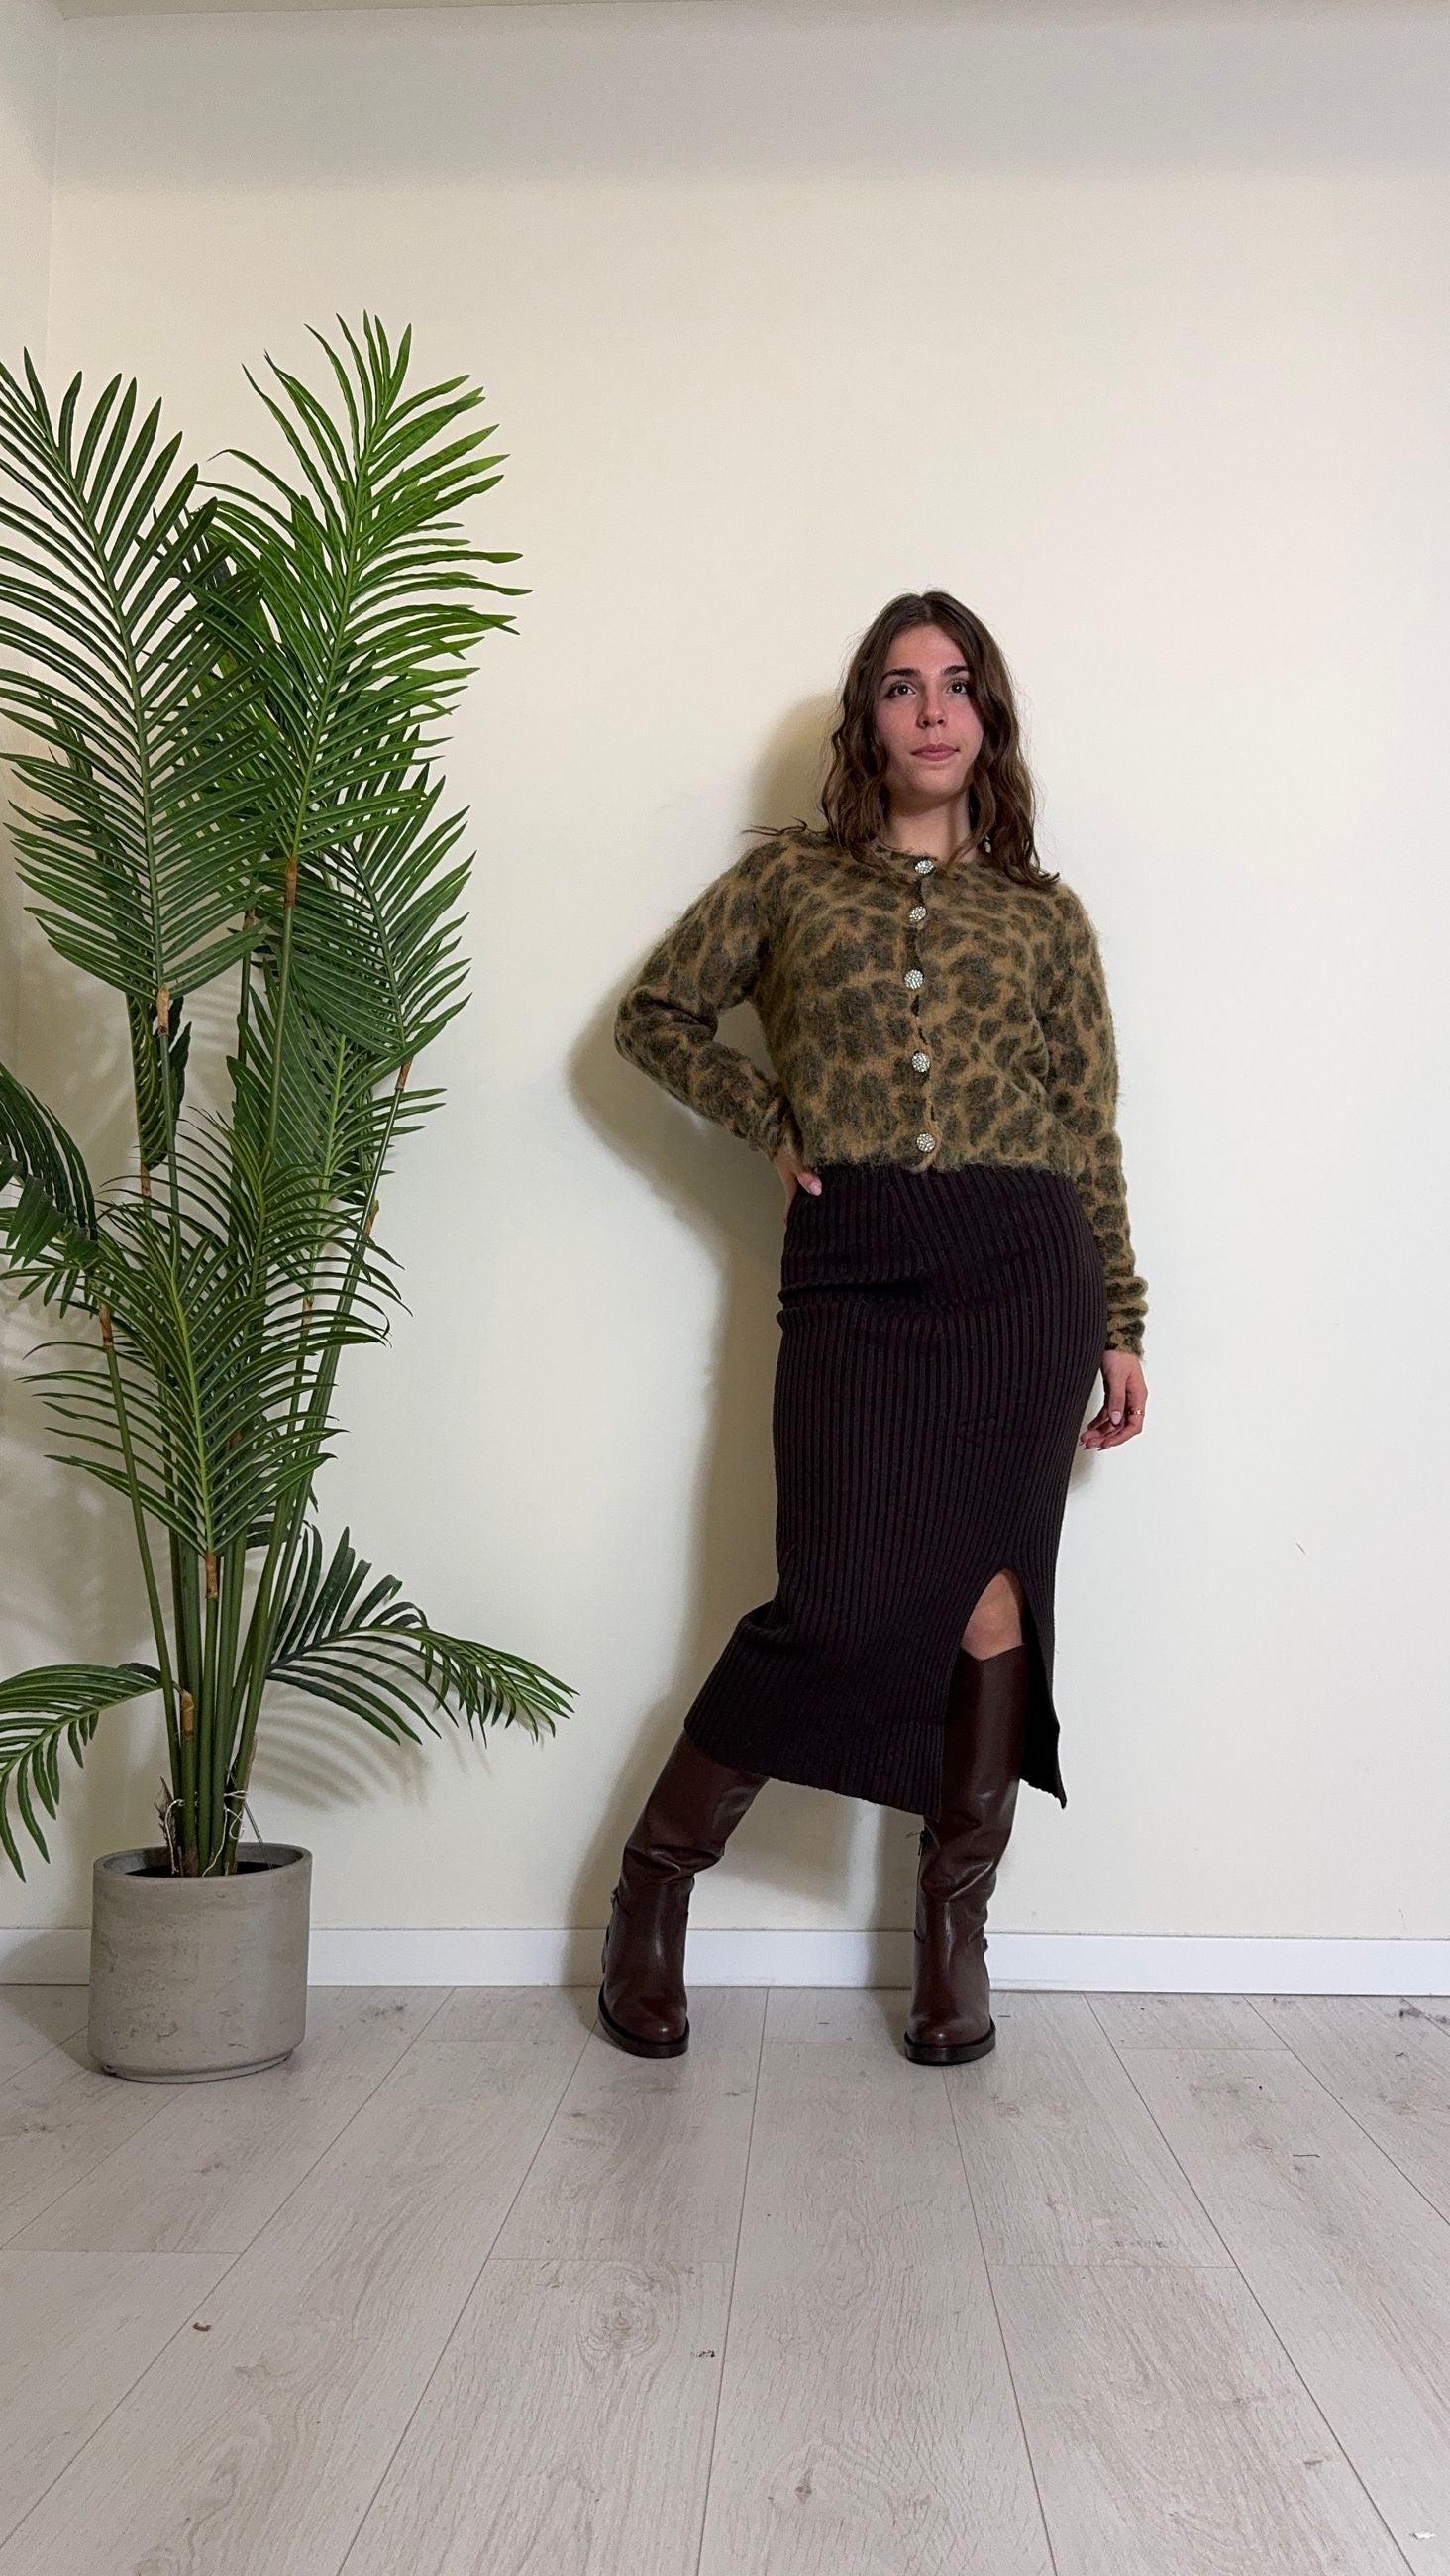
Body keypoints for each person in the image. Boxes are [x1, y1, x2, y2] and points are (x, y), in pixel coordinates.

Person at [601, 589, 1148, 2068]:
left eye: (957, 683)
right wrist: (768, 1116)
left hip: (1025, 1270)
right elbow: (654, 1017)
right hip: (856, 1267)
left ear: (989, 717)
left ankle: (953, 1936)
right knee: (833, 1603)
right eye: (903, 685)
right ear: (869, 719)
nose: (932, 709)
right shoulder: (790, 881)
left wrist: (1121, 1316)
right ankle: (655, 1883)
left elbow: (1088, 1126)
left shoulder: (1044, 914)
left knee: (991, 1605)